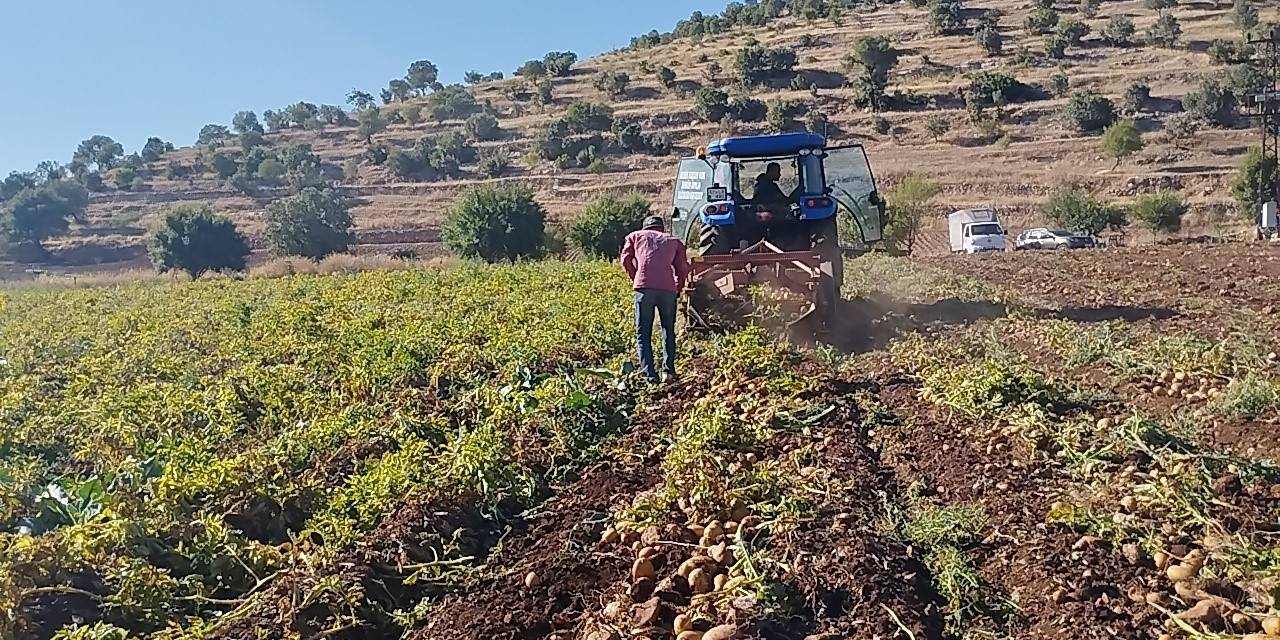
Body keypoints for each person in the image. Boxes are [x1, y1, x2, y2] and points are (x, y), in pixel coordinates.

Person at [620, 215, 690, 383]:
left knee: (643, 333)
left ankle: (650, 376)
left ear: (646, 228)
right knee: (668, 330)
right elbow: (682, 268)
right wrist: (677, 288)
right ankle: (669, 372)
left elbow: (625, 259)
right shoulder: (674, 241)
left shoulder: (635, 236)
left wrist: (636, 277)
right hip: (667, 290)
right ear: (662, 228)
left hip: (644, 289)